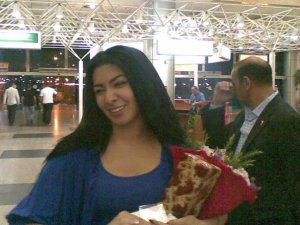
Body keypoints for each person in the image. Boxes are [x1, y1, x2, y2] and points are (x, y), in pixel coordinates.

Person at [6, 46, 227, 225]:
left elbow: (212, 208)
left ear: (144, 85)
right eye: (99, 90)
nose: (109, 97)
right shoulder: (73, 157)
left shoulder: (180, 153)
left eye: (119, 84)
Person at [201, 56, 300, 225]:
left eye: (234, 82)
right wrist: (217, 102)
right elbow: (218, 145)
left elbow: (294, 184)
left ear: (246, 83)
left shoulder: (285, 120)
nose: (233, 88)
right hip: (239, 216)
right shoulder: (245, 116)